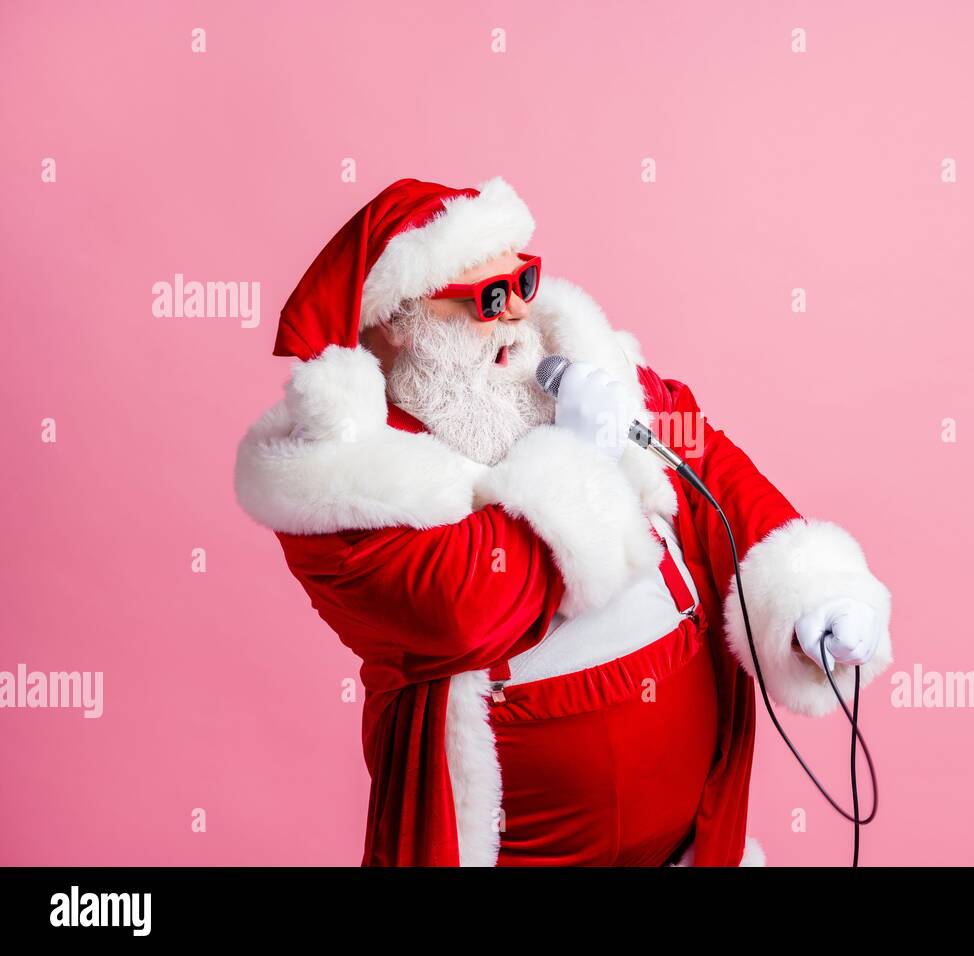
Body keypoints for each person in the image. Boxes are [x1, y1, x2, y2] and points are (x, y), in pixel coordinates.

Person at [234, 176, 894, 866]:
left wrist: (814, 588)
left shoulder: (588, 371)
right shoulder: (343, 481)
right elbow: (463, 610)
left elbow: (706, 465)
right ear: (399, 321)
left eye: (523, 283)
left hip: (688, 844)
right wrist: (581, 456)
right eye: (488, 299)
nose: (518, 315)